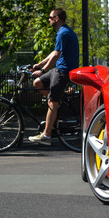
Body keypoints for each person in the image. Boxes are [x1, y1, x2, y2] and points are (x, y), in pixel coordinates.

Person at [28, 8, 79, 145]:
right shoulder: (63, 32)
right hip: (58, 69)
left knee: (51, 102)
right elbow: (54, 52)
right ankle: (58, 103)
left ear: (57, 18)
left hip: (63, 71)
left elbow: (56, 56)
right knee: (37, 83)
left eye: (50, 18)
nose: (49, 20)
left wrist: (43, 69)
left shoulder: (63, 33)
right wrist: (39, 65)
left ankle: (47, 135)